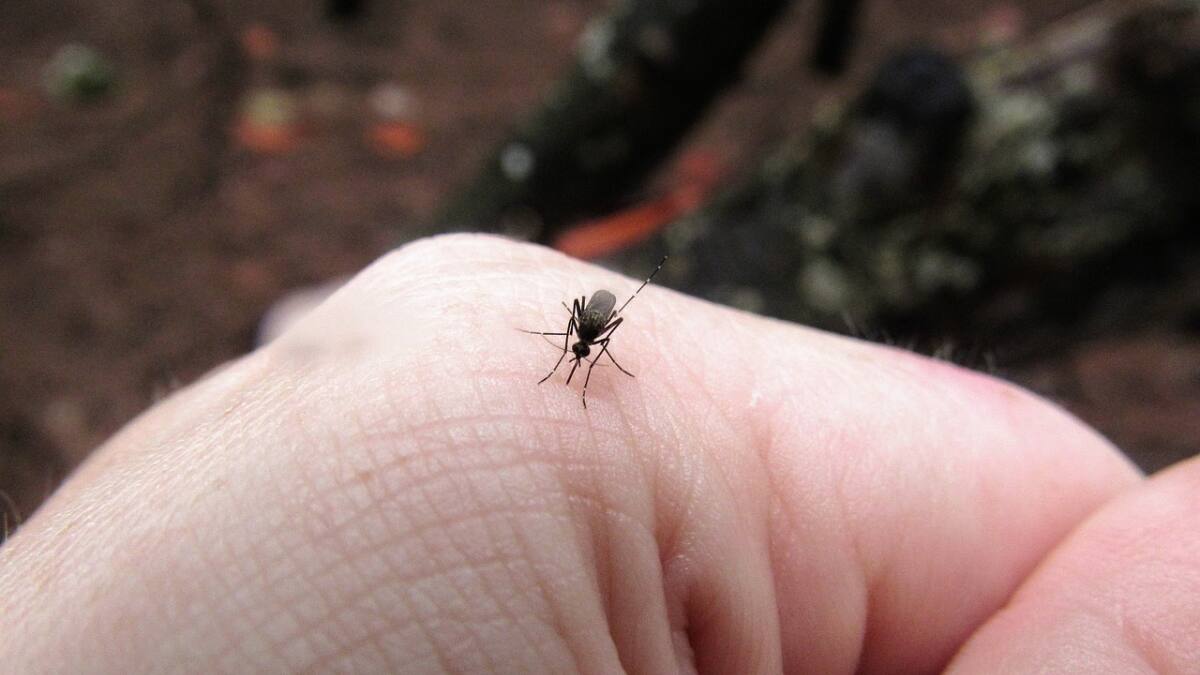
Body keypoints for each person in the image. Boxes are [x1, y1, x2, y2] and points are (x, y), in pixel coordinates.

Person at [0, 235, 1193, 673]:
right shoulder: (580, 340)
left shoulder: (596, 334)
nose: (586, 338)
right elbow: (583, 339)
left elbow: (597, 336)